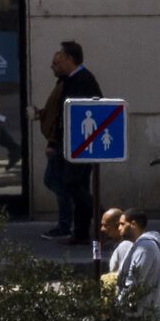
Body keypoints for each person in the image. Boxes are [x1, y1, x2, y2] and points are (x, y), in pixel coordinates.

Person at [37, 41, 101, 243]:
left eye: (61, 59)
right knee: (76, 186)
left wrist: (57, 143)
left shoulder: (82, 80)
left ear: (70, 60)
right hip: (73, 145)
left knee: (73, 185)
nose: (57, 63)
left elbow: (72, 116)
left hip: (80, 145)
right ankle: (81, 233)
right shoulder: (70, 80)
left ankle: (105, 217)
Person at [107, 209, 160, 316]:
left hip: (141, 316)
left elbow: (133, 283)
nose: (119, 228)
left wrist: (115, 310)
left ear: (133, 224)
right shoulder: (138, 246)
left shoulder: (144, 248)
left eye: (122, 224)